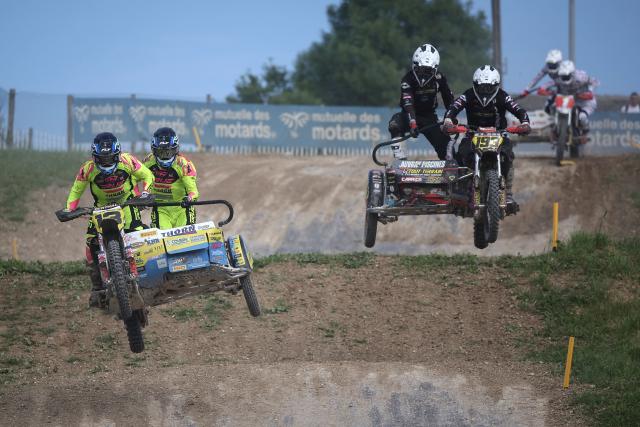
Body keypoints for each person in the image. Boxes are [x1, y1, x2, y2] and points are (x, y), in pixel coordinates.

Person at [65, 132, 154, 306]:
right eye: (102, 159)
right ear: (95, 157)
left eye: (110, 158)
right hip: (100, 209)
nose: (107, 162)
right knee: (91, 243)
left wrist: (146, 192)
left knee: (138, 234)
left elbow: (147, 175)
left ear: (118, 154)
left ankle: (149, 273)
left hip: (127, 205)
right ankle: (97, 287)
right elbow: (76, 190)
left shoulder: (128, 161)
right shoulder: (88, 169)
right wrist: (70, 208)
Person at [443, 65, 531, 204]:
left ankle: (507, 192)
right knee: (462, 153)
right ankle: (461, 187)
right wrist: (448, 121)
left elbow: (518, 109)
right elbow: (454, 107)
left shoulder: (503, 96)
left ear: (496, 85)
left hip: (499, 134)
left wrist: (525, 123)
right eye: (481, 87)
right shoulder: (469, 94)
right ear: (475, 84)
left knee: (508, 155)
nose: (485, 91)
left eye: (489, 87)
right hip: (472, 133)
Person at [388, 43, 454, 160]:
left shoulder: (440, 78)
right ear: (414, 66)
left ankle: (450, 169)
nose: (423, 74)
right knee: (394, 124)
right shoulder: (407, 79)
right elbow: (408, 103)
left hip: (430, 118)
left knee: (448, 149)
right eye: (420, 70)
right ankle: (400, 162)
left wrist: (450, 118)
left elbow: (449, 100)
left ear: (435, 69)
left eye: (427, 71)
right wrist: (412, 122)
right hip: (408, 116)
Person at [143, 127, 199, 229]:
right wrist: (141, 196)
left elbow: (193, 190)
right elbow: (134, 177)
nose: (165, 156)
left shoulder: (183, 164)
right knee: (161, 238)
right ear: (154, 151)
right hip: (160, 209)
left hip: (182, 208)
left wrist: (190, 198)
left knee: (185, 238)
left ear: (175, 150)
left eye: (168, 152)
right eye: (161, 152)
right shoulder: (147, 162)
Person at [539, 60, 598, 142]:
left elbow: (595, 81)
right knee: (553, 107)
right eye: (563, 76)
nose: (565, 78)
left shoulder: (581, 77)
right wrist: (543, 90)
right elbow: (546, 85)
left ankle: (585, 132)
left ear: (572, 73)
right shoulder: (558, 79)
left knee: (582, 117)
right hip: (570, 99)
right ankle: (554, 129)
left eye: (567, 76)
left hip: (586, 102)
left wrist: (590, 92)